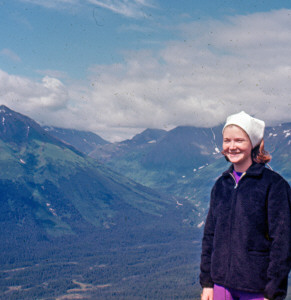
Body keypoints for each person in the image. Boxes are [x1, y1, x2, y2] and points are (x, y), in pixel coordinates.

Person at [200, 111, 291, 300]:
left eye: (239, 140)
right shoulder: (220, 185)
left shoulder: (274, 185)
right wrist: (207, 283)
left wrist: (273, 292)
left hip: (257, 289)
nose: (232, 146)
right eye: (227, 140)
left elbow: (282, 242)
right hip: (221, 287)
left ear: (253, 144)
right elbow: (210, 236)